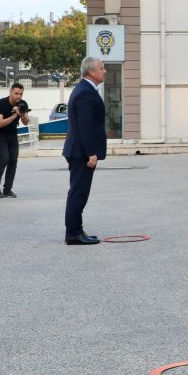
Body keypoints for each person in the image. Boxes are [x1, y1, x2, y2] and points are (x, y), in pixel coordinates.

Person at [62, 56, 107, 245]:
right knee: (78, 193)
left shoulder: (86, 89)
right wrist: (91, 152)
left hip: (80, 151)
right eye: (102, 68)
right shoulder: (85, 92)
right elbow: (85, 125)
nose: (104, 71)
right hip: (81, 152)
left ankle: (76, 230)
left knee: (80, 192)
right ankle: (73, 233)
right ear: (92, 72)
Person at [0, 82, 29, 198]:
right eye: (16, 93)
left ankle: (7, 189)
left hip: (11, 135)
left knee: (13, 161)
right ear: (10, 92)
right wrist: (14, 116)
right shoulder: (1, 103)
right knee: (4, 160)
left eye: (21, 94)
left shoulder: (21, 104)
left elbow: (26, 122)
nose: (18, 96)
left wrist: (22, 113)